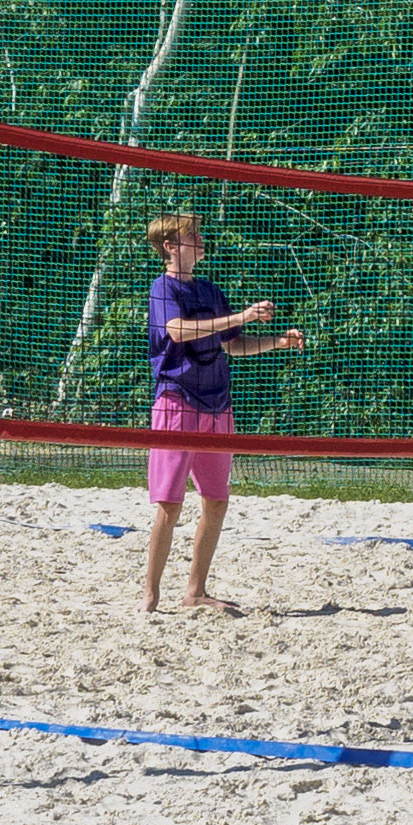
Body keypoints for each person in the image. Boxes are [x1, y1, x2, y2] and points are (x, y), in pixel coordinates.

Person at [137, 210, 302, 614]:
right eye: (191, 234)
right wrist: (241, 316)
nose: (200, 238)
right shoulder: (163, 288)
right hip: (177, 401)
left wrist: (277, 341)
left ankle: (195, 591)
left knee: (215, 500)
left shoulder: (211, 291)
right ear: (171, 246)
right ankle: (150, 596)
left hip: (217, 402)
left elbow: (234, 345)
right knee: (169, 505)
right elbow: (177, 331)